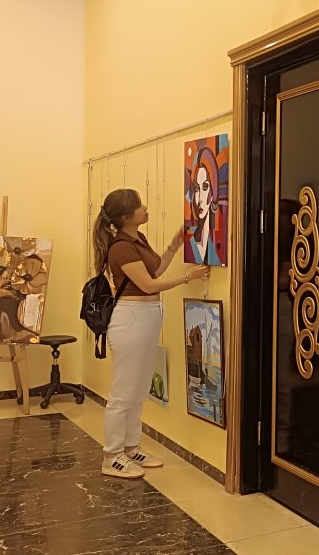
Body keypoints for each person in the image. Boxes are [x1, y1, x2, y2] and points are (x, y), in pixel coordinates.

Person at [92, 188, 210, 478]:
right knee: (123, 393)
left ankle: (131, 447)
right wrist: (188, 277)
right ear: (125, 216)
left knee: (140, 388)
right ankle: (112, 455)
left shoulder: (138, 239)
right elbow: (147, 285)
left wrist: (174, 245)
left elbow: (155, 270)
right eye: (139, 205)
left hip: (147, 317)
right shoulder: (121, 247)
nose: (145, 208)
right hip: (131, 319)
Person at [187, 146, 222, 265]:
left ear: (213, 192)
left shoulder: (218, 241)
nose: (200, 199)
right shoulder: (190, 239)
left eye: (205, 187)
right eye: (197, 188)